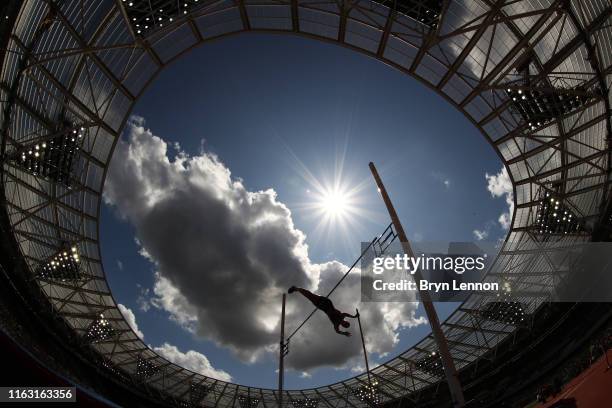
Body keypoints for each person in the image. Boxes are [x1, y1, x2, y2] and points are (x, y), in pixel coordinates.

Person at [288, 286, 358, 337]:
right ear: (345, 321)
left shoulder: (336, 324)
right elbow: (346, 314)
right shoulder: (342, 316)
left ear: (343, 325)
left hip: (322, 306)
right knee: (311, 295)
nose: (343, 322)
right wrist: (354, 316)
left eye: (344, 324)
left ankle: (297, 289)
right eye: (345, 322)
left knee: (309, 296)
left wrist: (344, 333)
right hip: (327, 303)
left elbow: (337, 331)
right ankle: (296, 288)